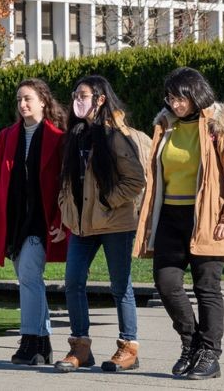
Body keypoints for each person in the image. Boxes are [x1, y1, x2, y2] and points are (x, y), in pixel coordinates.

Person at [133, 67, 224, 380]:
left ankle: (210, 353)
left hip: (208, 218)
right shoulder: (165, 126)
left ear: (194, 94)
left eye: (179, 97)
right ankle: (191, 341)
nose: (174, 103)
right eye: (169, 98)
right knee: (166, 283)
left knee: (206, 287)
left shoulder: (219, 126)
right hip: (170, 217)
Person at [53, 75, 150, 373]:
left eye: (82, 95)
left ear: (100, 99)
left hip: (115, 223)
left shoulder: (116, 136)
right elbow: (68, 180)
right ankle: (80, 347)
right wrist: (65, 207)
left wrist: (107, 201)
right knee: (73, 282)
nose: (76, 101)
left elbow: (136, 180)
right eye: (74, 95)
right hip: (82, 225)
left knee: (120, 286)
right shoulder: (76, 134)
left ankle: (128, 347)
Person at [0, 78, 69, 365]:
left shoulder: (58, 137)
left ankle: (31, 340)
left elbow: (64, 185)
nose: (22, 104)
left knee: (30, 276)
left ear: (43, 100)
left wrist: (60, 220)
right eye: (19, 99)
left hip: (41, 221)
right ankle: (41, 345)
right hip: (14, 219)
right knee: (27, 279)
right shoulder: (8, 136)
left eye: (28, 98)